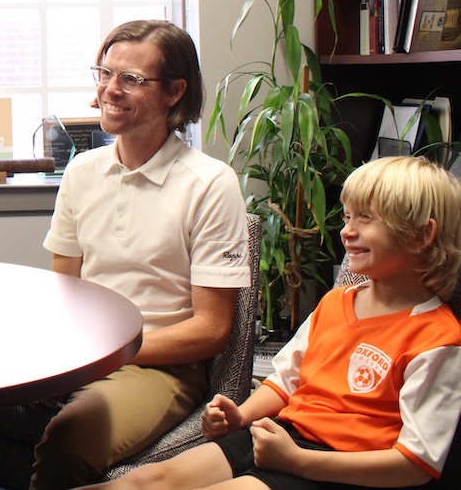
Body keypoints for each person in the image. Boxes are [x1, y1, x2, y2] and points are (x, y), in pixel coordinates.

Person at [0, 19, 250, 490]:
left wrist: (104, 357)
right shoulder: (83, 171)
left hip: (158, 367)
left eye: (131, 79)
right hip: (79, 351)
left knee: (69, 438)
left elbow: (212, 329)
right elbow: (64, 293)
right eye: (104, 73)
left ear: (174, 92)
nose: (108, 89)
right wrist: (42, 352)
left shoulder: (210, 184)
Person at [77, 154, 461, 490]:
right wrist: (240, 416)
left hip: (342, 466)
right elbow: (285, 380)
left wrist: (297, 461)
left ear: (422, 236)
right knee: (143, 481)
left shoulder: (438, 339)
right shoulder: (335, 302)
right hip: (284, 436)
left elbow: (415, 465)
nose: (347, 231)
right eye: (347, 217)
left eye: (367, 219)